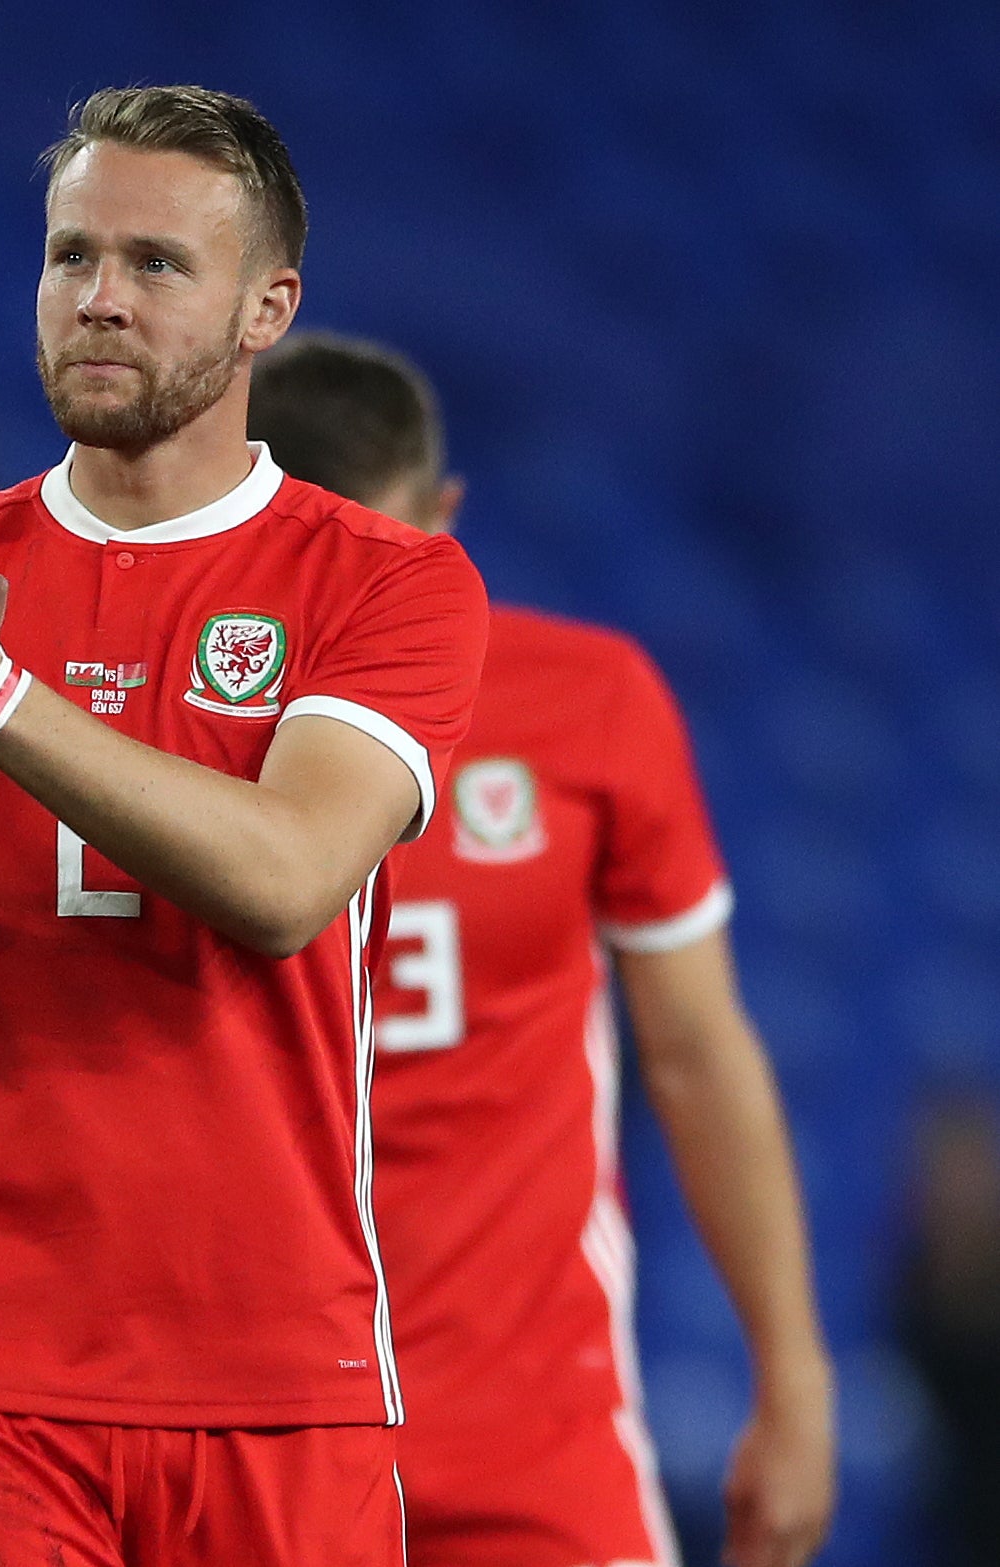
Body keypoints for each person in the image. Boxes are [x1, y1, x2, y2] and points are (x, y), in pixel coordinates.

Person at [0, 86, 490, 1566]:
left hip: (279, 1369)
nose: (100, 299)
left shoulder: (385, 585)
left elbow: (286, 879)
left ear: (268, 307)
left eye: (155, 265)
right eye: (71, 255)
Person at [248, 332, 835, 1567]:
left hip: (536, 1454)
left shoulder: (588, 701)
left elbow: (695, 1054)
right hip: (257, 1459)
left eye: (383, 558)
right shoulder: (163, 718)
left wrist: (793, 1374)